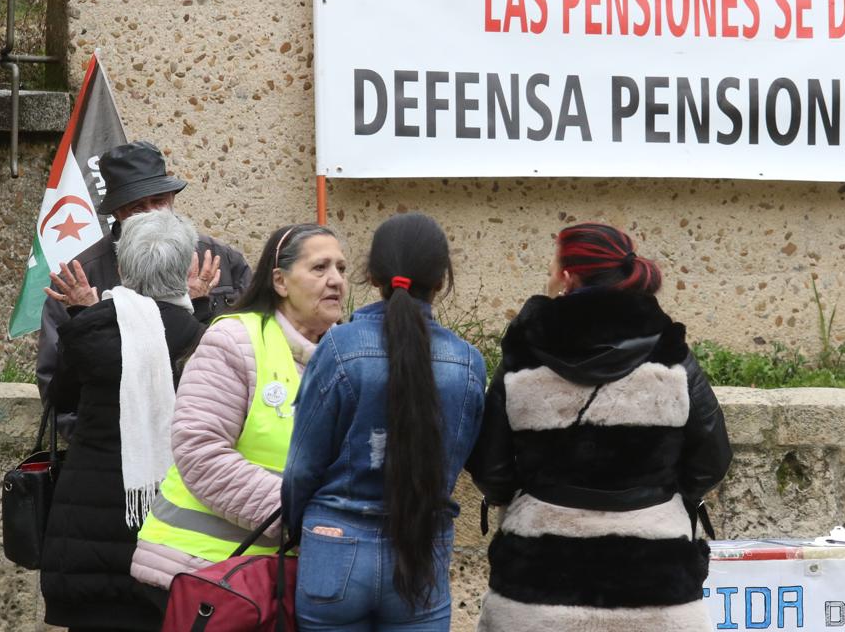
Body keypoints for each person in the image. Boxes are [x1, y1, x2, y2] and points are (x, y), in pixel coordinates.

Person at [467, 223, 732, 632]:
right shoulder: (670, 353)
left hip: (537, 587)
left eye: (553, 267)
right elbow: (711, 458)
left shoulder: (523, 353)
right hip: (657, 589)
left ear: (569, 277)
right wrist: (657, 501)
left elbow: (492, 470)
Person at [282, 213, 485, 631]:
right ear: (442, 281)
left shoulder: (339, 346)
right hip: (421, 554)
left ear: (372, 275)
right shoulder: (467, 363)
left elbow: (302, 468)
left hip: (334, 547)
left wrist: (304, 531)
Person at [130, 223, 346, 591]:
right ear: (279, 281)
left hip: (273, 579)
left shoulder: (346, 354)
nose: (337, 280)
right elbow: (200, 451)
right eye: (320, 268)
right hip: (200, 569)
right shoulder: (233, 339)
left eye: (342, 268)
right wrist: (302, 515)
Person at [40, 210, 208, 631]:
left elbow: (60, 396)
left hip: (88, 527)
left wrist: (84, 316)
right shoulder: (204, 337)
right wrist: (201, 306)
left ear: (122, 266)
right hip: (173, 530)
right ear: (186, 267)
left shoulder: (96, 330)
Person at [38, 140, 252, 402]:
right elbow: (57, 391)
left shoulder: (221, 259)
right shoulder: (79, 276)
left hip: (206, 424)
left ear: (172, 198)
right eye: (137, 207)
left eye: (158, 201)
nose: (151, 214)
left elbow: (251, 350)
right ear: (117, 212)